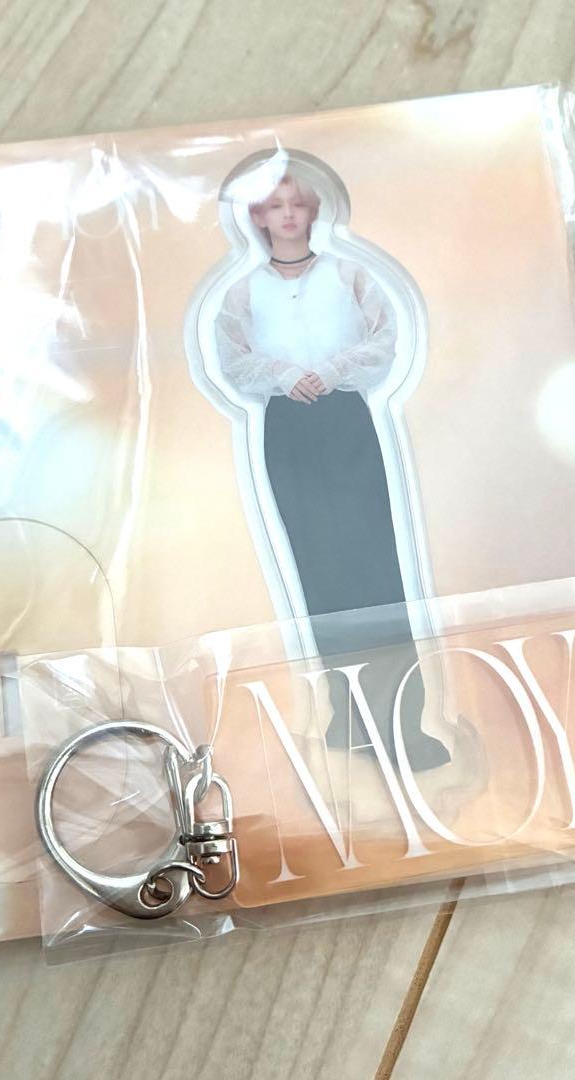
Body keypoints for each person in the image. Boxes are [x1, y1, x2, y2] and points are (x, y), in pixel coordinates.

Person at [214, 166, 450, 772]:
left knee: (376, 571)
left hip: (347, 422)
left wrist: (335, 370)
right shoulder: (242, 293)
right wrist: (284, 376)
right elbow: (233, 358)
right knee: (319, 576)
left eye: (298, 202)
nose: (288, 214)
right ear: (258, 217)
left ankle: (404, 723)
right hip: (288, 432)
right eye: (275, 205)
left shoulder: (349, 275)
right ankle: (348, 721)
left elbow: (384, 339)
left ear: (315, 210)